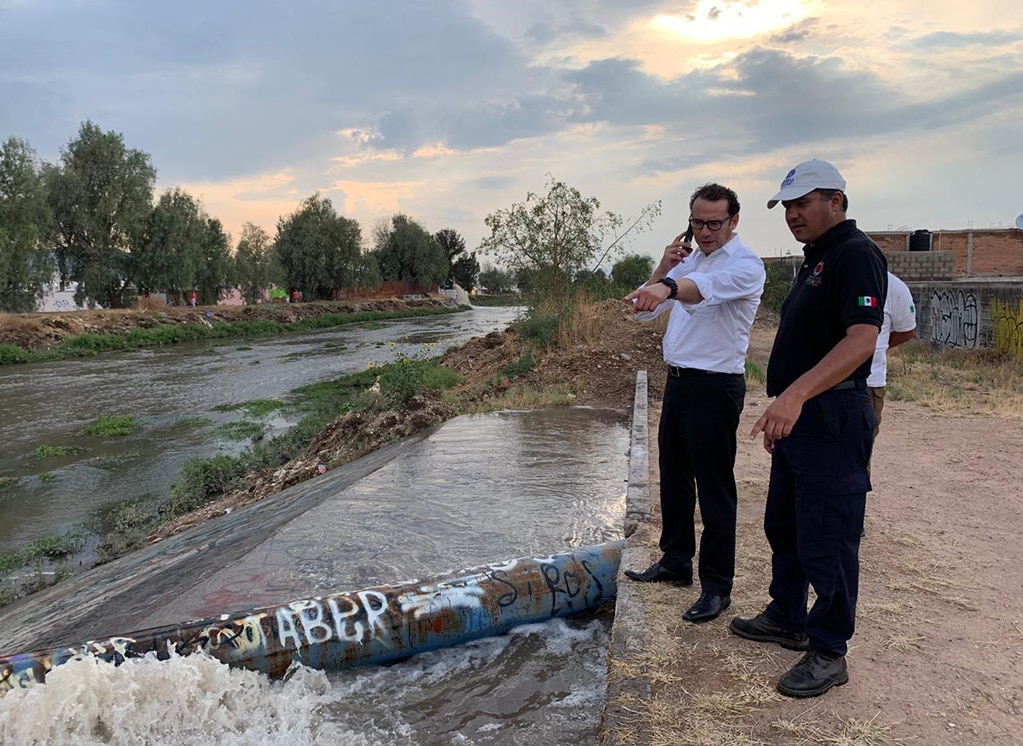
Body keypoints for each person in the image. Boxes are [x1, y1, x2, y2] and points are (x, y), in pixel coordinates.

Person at [730, 159, 887, 698]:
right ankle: (787, 615)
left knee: (829, 535)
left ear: (835, 201)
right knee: (787, 525)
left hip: (832, 417)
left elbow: (861, 340)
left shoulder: (856, 254)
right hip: (800, 418)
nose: (793, 214)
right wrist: (786, 405)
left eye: (803, 203)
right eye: (787, 206)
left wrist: (795, 396)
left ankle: (828, 650)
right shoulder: (817, 257)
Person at [623, 183, 766, 624]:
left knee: (714, 487)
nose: (704, 231)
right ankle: (675, 561)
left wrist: (670, 285)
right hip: (680, 382)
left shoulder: (745, 265)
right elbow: (642, 310)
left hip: (716, 387)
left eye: (714, 223)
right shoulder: (689, 261)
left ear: (734, 221)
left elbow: (703, 289)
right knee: (674, 475)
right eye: (697, 223)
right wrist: (664, 267)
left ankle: (717, 587)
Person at [867, 271, 916, 442]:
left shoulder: (892, 286)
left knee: (857, 453)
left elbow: (907, 331)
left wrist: (866, 349)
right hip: (817, 383)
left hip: (867, 385)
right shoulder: (821, 275)